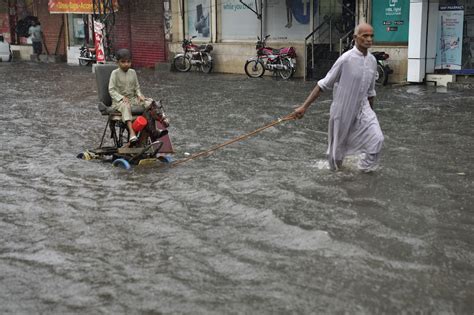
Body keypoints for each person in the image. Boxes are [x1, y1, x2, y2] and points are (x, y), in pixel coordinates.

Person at [293, 23, 384, 172]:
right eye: (365, 36)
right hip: (342, 110)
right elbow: (323, 85)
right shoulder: (345, 59)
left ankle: (364, 173)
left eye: (371, 36)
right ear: (355, 38)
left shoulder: (372, 61)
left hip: (363, 109)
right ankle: (336, 179)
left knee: (377, 139)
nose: (369, 39)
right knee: (337, 153)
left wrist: (371, 115)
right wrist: (304, 107)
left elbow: (370, 92)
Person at [108, 48, 154, 143]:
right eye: (123, 62)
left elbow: (137, 87)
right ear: (118, 62)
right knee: (125, 105)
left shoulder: (133, 72)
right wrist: (121, 97)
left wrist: (140, 95)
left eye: (128, 62)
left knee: (151, 103)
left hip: (133, 99)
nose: (126, 64)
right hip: (119, 102)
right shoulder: (115, 73)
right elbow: (111, 90)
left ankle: (153, 130)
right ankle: (132, 132)